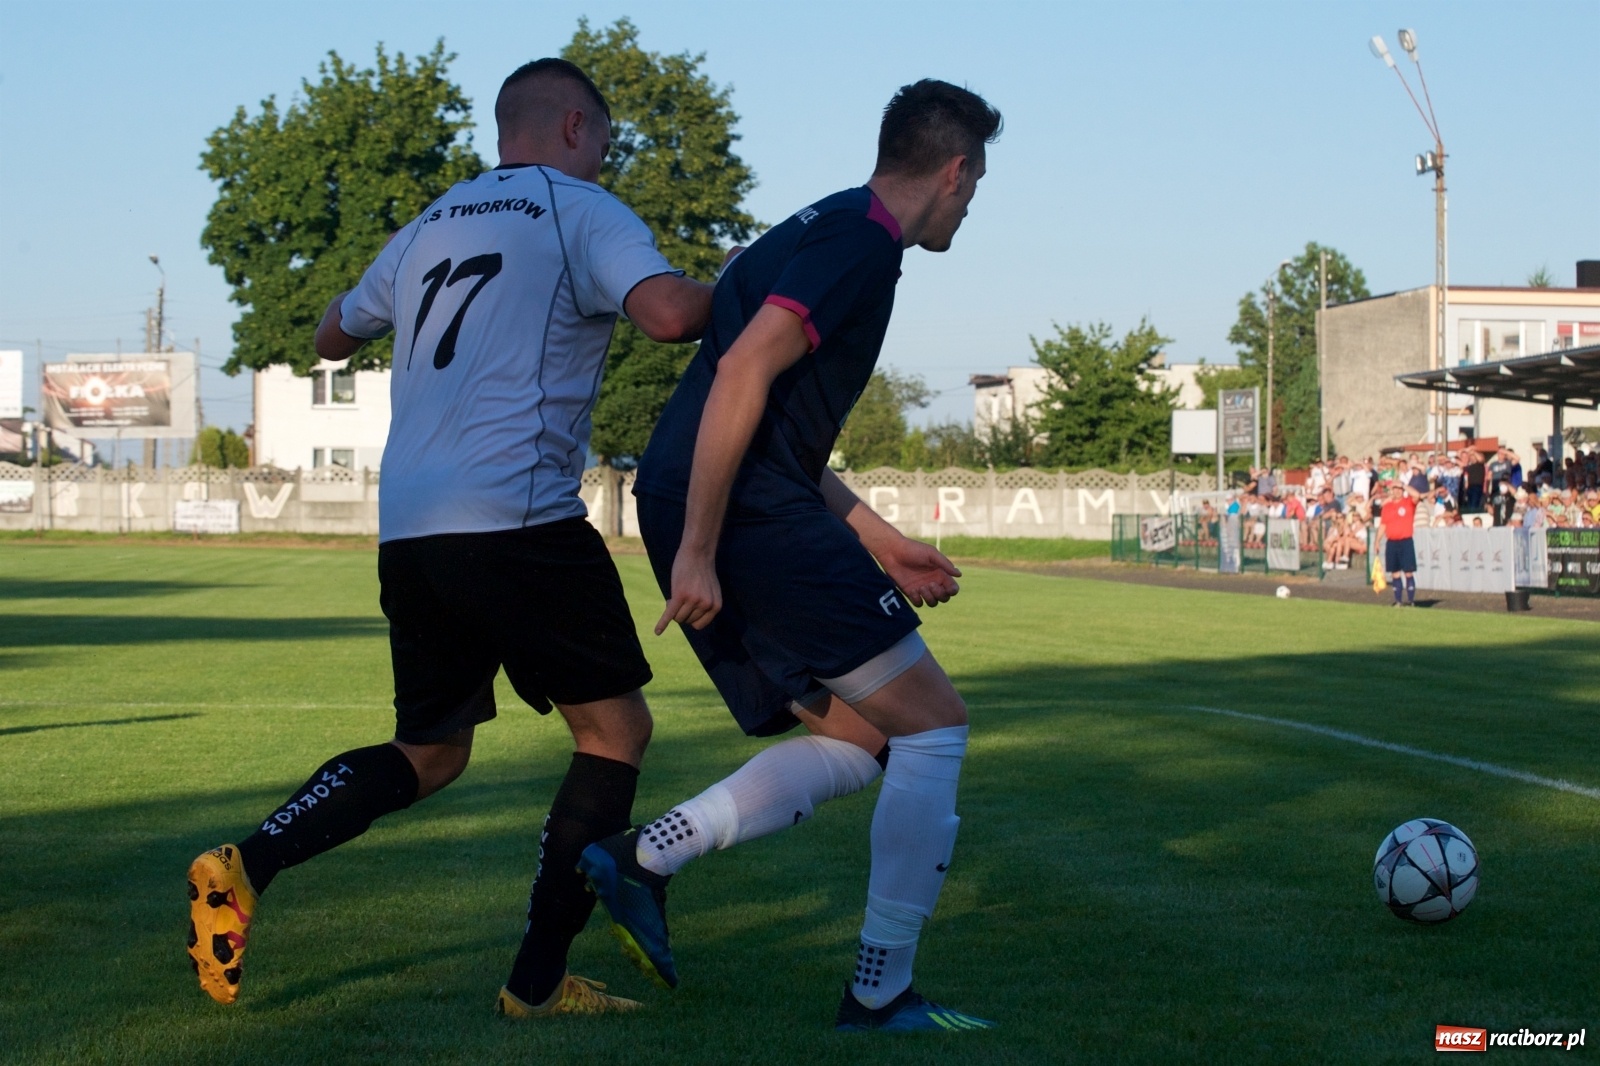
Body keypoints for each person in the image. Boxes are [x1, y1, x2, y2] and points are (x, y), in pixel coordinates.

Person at [185, 58, 721, 1018]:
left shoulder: (434, 219)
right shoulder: (578, 206)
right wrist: (762, 292)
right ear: (569, 129)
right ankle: (537, 983)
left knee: (432, 751)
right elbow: (671, 314)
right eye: (603, 138)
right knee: (616, 731)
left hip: (413, 524)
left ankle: (244, 865)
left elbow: (330, 336)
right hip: (518, 515)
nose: (604, 155)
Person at [577, 79, 1002, 1034]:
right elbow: (741, 370)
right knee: (933, 727)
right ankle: (880, 992)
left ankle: (643, 857)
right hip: (735, 518)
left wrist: (884, 544)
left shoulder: (815, 224)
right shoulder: (863, 245)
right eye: (974, 189)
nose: (970, 208)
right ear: (954, 168)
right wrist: (699, 552)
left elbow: (772, 428)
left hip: (717, 500)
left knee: (864, 739)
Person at [1380, 482, 1419, 606]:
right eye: (1395, 489)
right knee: (1395, 573)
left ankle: (1411, 600)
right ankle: (1398, 601)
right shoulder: (1387, 506)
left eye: (1399, 489)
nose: (1397, 491)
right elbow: (1383, 525)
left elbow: (1417, 495)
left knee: (1408, 572)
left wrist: (1403, 485)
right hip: (1392, 542)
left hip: (1405, 541)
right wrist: (1377, 541)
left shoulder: (1408, 502)